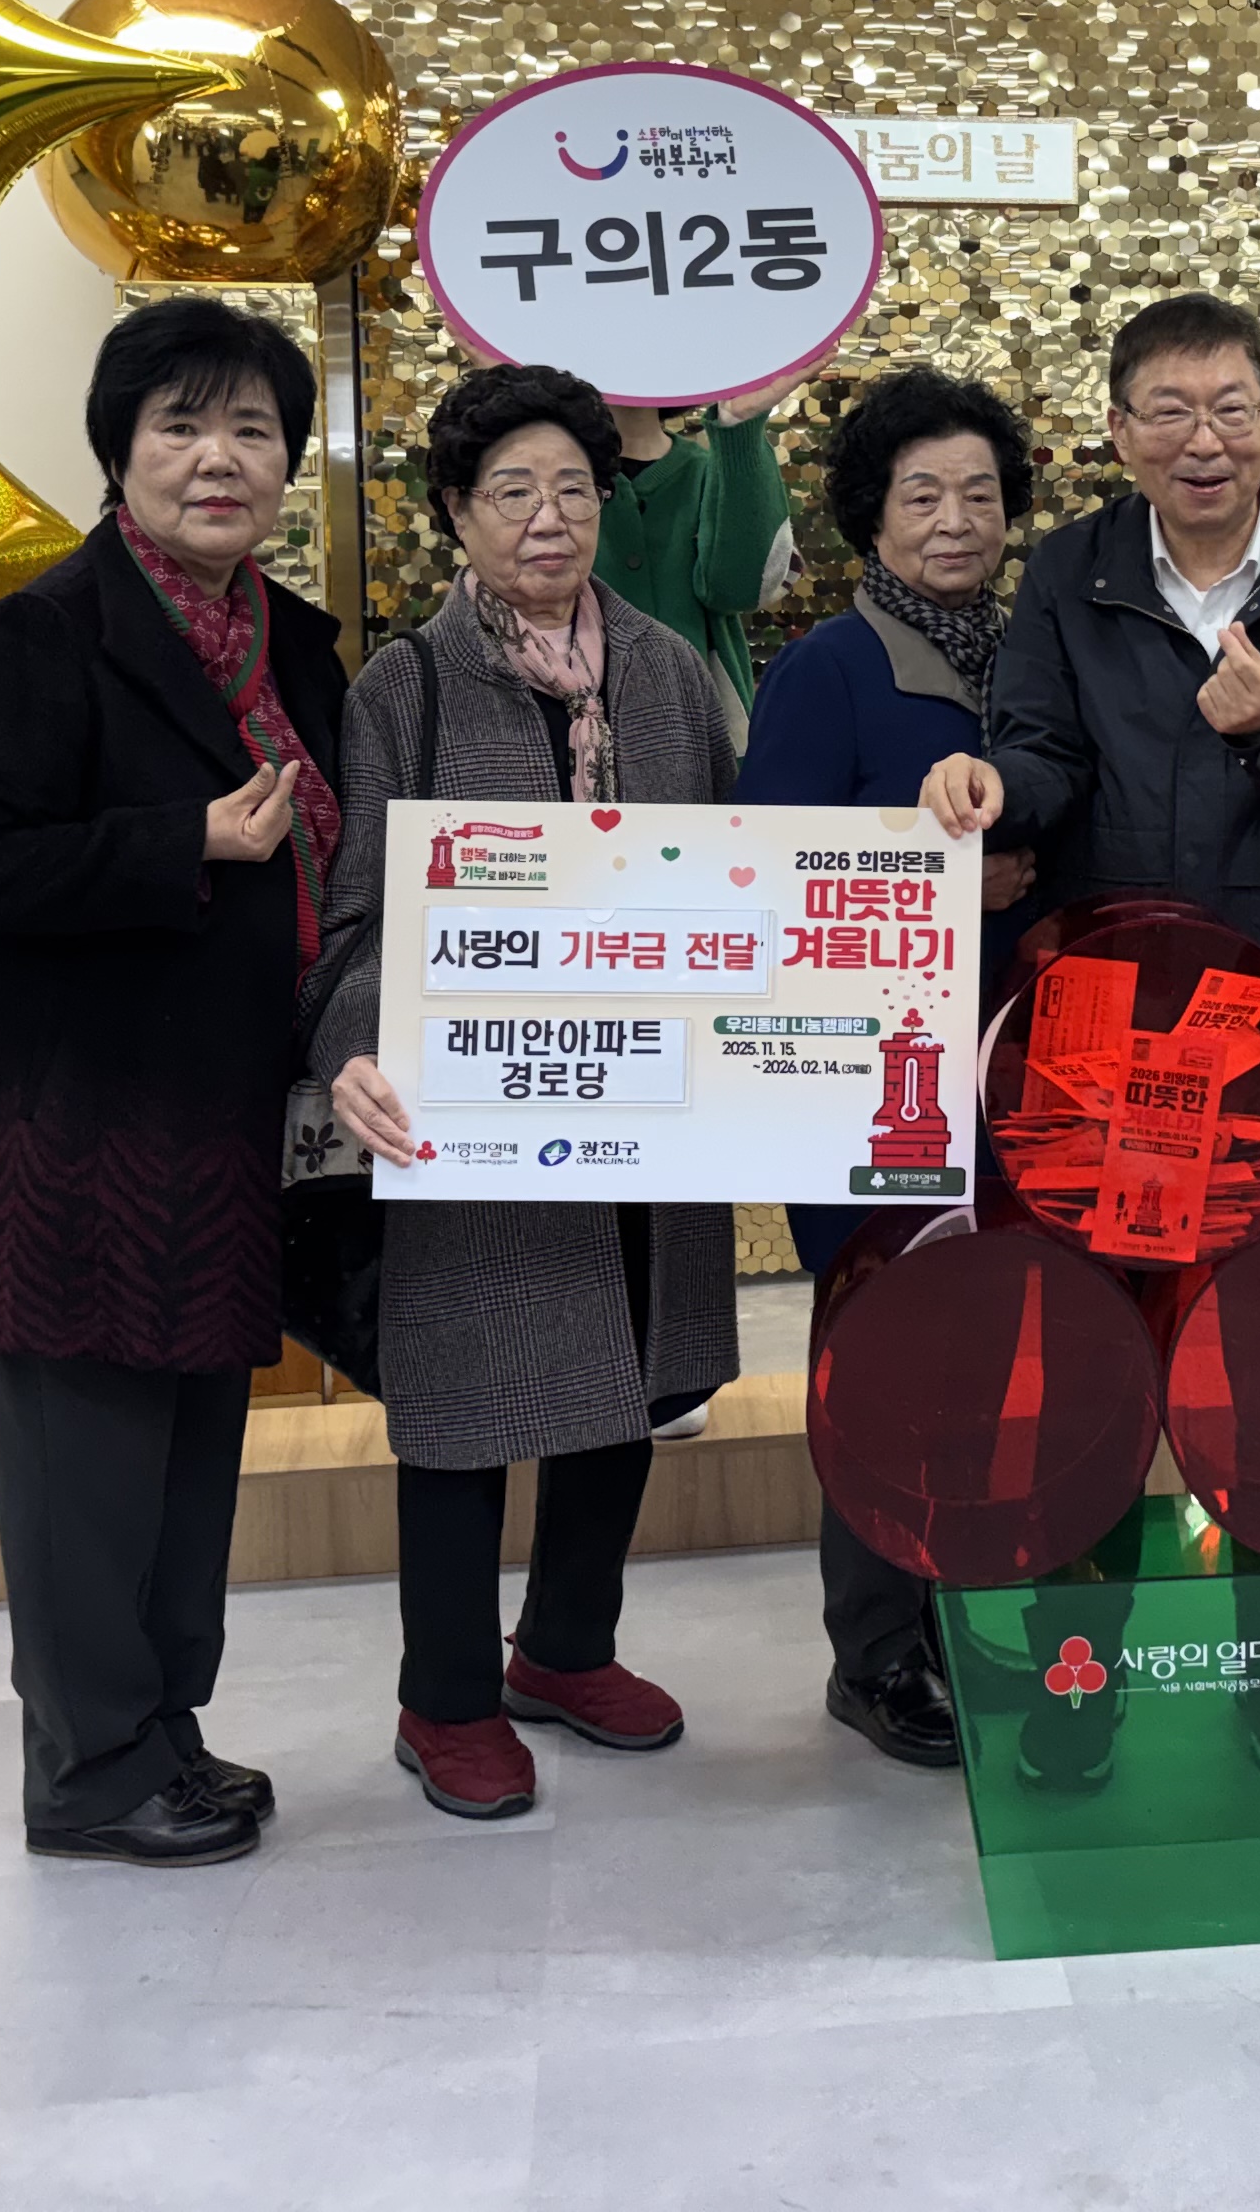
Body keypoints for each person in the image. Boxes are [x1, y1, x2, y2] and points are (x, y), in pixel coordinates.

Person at [0, 295, 345, 1868]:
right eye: (182, 426)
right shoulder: (40, 636)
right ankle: (89, 1774)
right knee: (82, 1479)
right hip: (65, 1133)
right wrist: (184, 842)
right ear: (120, 452)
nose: (219, 460)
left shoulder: (297, 644)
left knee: (184, 1468)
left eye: (252, 430)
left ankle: (164, 1734)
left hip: (220, 1128)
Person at [315, 362, 743, 1823]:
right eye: (513, 491)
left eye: (573, 487)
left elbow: (740, 872)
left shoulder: (668, 673)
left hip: (648, 1092)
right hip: (473, 1106)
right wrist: (354, 1046)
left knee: (622, 1378)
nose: (549, 517)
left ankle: (564, 1648)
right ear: (456, 511)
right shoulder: (409, 685)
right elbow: (355, 913)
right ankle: (443, 1698)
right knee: (462, 1400)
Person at [738, 364, 1050, 1771]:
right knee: (881, 1363)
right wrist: (942, 888)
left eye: (979, 494)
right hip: (872, 1090)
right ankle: (874, 1656)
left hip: (1020, 1076)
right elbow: (773, 879)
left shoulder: (1031, 662)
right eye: (923, 495)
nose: (955, 521)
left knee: (995, 1365)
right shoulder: (828, 670)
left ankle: (970, 1621)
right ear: (871, 514)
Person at [918, 292, 1260, 1161]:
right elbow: (1046, 754)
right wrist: (996, 784)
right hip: (1114, 1012)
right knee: (1118, 1247)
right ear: (1120, 431)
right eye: (1169, 413)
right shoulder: (1069, 568)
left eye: (1230, 410)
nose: (1204, 442)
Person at [594, 372, 808, 721]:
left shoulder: (713, 471)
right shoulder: (554, 480)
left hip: (706, 727)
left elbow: (741, 590)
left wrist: (741, 426)